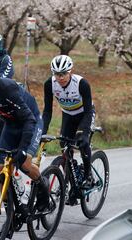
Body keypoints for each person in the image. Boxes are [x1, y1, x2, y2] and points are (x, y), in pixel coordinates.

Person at [0, 56, 49, 212]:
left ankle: (42, 187)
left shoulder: (8, 90)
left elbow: (29, 120)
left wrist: (23, 148)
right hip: (11, 125)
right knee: (2, 171)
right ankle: (11, 216)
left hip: (31, 122)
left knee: (24, 164)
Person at [42, 55, 96, 190]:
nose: (60, 78)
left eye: (63, 74)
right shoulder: (49, 84)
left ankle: (89, 175)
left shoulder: (82, 84)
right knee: (64, 146)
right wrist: (42, 131)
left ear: (70, 71)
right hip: (68, 115)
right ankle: (71, 177)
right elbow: (47, 111)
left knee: (82, 143)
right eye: (57, 74)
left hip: (84, 114)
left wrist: (84, 133)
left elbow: (89, 111)